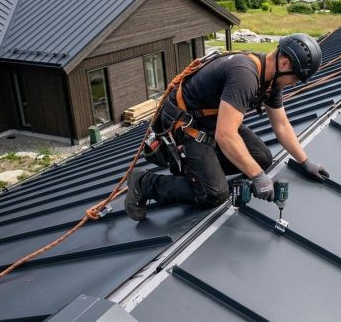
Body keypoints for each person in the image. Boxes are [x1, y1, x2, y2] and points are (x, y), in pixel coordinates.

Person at [124, 33, 330, 221]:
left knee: (262, 159)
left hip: (215, 120)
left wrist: (305, 162)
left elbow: (282, 124)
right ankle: (143, 182)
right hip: (186, 123)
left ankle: (202, 170)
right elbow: (225, 135)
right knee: (213, 193)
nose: (293, 83)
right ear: (284, 63)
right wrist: (257, 176)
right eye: (294, 78)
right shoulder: (244, 75)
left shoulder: (270, 81)